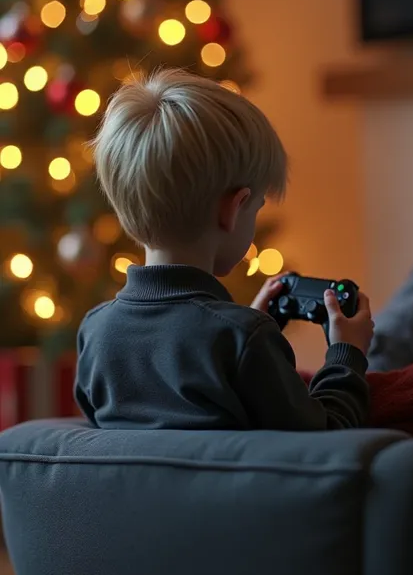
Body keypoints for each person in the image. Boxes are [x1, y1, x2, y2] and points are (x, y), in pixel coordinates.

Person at [74, 68, 374, 431]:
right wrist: (347, 355)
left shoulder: (95, 331)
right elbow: (326, 435)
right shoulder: (243, 339)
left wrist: (244, 324)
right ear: (234, 208)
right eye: (258, 206)